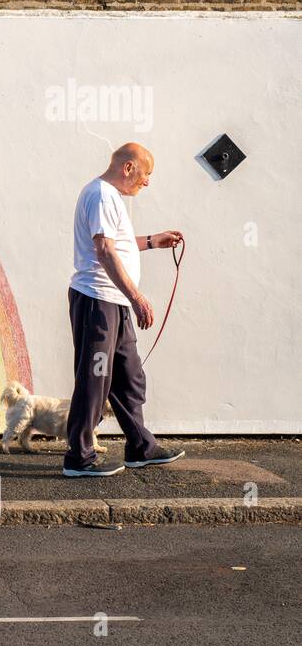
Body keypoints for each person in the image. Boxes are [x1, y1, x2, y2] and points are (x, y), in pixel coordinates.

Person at [63, 143, 185, 477]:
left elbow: (116, 243)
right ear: (128, 168)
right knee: (94, 377)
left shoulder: (111, 197)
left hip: (113, 303)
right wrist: (137, 297)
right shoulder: (101, 194)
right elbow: (103, 249)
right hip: (97, 302)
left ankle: (140, 448)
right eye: (146, 174)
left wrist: (150, 241)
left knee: (129, 376)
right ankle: (79, 457)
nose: (147, 183)